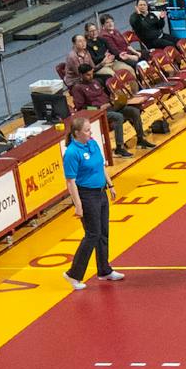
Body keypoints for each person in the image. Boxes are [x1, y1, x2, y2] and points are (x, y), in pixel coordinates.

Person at [61, 117, 126, 290]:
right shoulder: (72, 153)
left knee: (103, 232)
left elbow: (100, 166)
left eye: (90, 129)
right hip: (86, 196)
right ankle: (73, 274)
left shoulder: (93, 143)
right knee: (92, 234)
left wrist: (110, 184)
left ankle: (104, 270)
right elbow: (71, 182)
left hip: (100, 192)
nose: (91, 133)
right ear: (76, 133)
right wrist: (78, 205)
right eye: (87, 130)